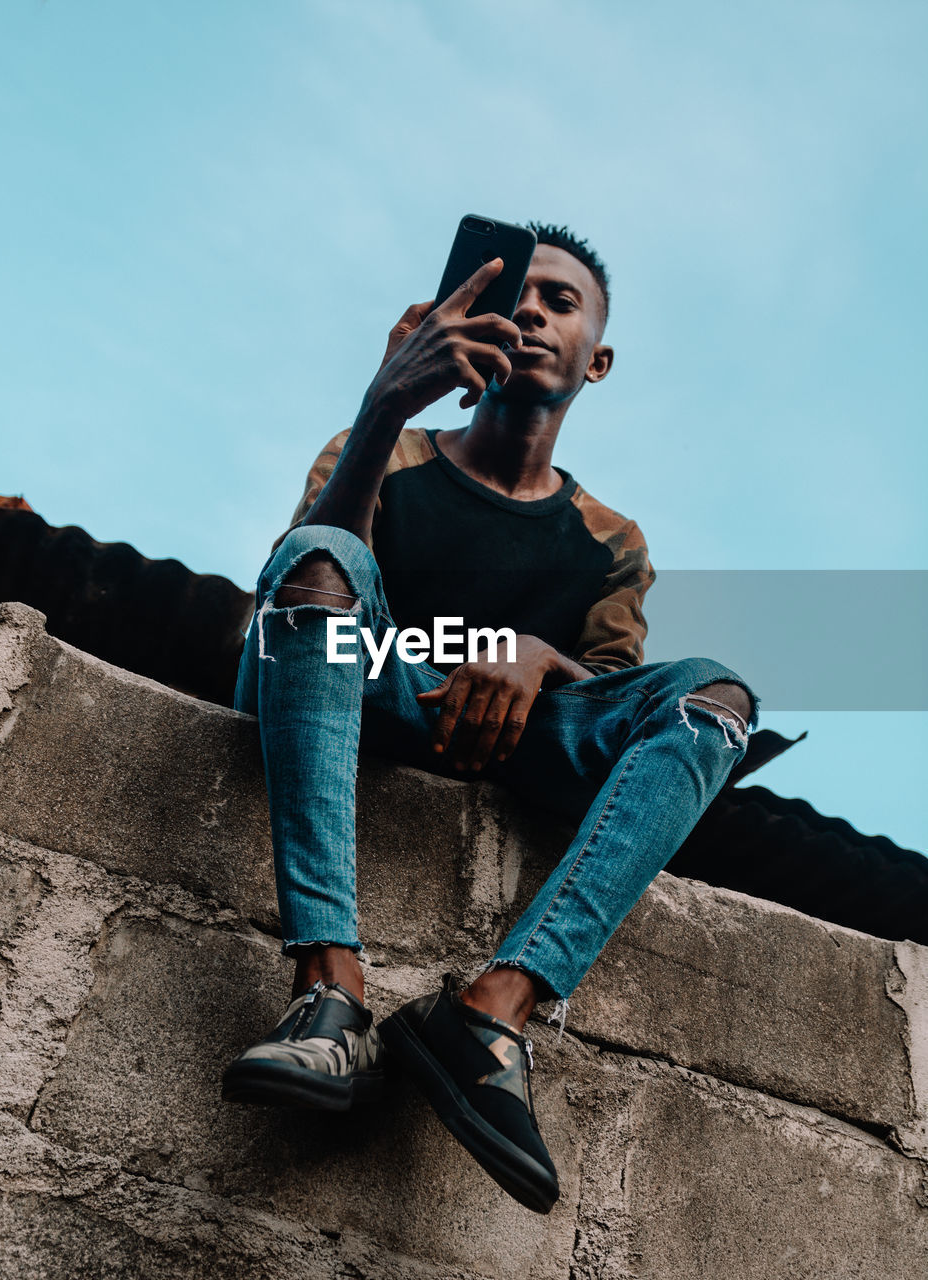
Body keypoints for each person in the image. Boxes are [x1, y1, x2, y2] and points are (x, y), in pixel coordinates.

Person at [222, 224, 758, 1215]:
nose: (529, 313)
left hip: (511, 734)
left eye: (559, 302)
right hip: (369, 680)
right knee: (321, 555)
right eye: (514, 293)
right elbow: (303, 596)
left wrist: (532, 653)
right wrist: (383, 403)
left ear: (595, 357)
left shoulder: (610, 541)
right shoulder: (385, 451)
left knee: (714, 700)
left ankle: (489, 1014)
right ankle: (329, 991)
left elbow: (610, 701)